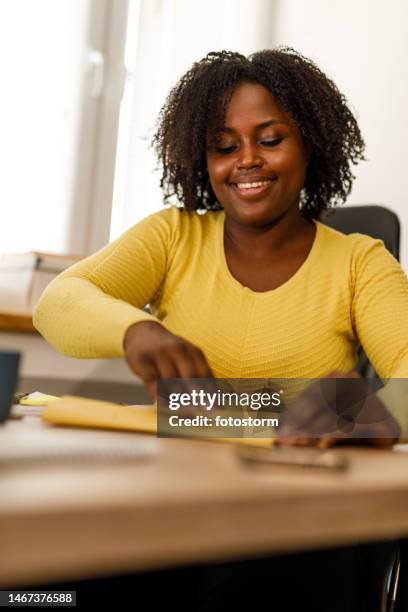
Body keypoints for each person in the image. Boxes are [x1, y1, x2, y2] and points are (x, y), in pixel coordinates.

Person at [33, 47, 407, 609]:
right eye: (224, 147)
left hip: (293, 518)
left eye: (271, 139)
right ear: (201, 160)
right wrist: (138, 330)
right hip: (170, 500)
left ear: (311, 144)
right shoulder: (172, 237)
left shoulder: (359, 261)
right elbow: (59, 302)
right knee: (51, 579)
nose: (247, 161)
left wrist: (374, 411)